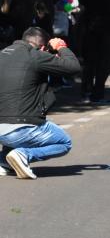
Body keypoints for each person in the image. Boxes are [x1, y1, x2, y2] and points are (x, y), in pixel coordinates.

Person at [0, 27, 80, 179]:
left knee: (13, 111)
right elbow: (73, 67)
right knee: (64, 142)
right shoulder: (35, 56)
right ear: (43, 47)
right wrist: (61, 47)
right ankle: (23, 155)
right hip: (20, 127)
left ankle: (3, 161)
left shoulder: (2, 53)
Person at [77, 0, 110, 104]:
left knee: (90, 60)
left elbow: (82, 1)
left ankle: (86, 90)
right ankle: (97, 93)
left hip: (89, 24)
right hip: (107, 26)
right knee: (103, 62)